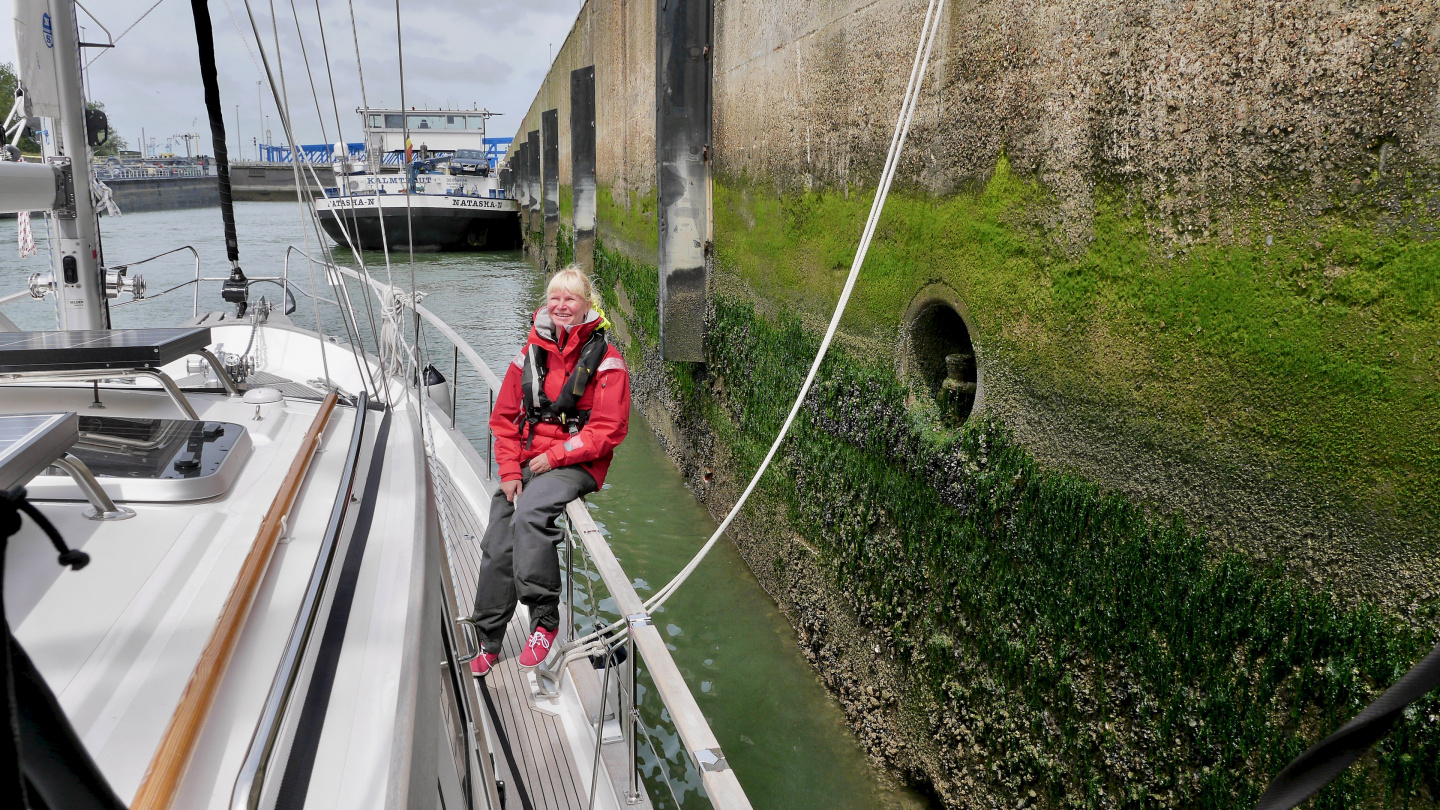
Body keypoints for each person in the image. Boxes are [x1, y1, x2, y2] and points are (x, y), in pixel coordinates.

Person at [470, 267, 631, 677]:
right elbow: (504, 418)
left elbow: (608, 430)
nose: (561, 306)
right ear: (546, 303)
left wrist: (556, 456)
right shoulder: (529, 353)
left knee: (531, 515)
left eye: (571, 299)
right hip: (528, 460)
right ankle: (489, 637)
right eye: (555, 298)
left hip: (577, 464)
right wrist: (509, 470)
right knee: (497, 539)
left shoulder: (608, 362)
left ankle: (544, 620)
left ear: (587, 306)